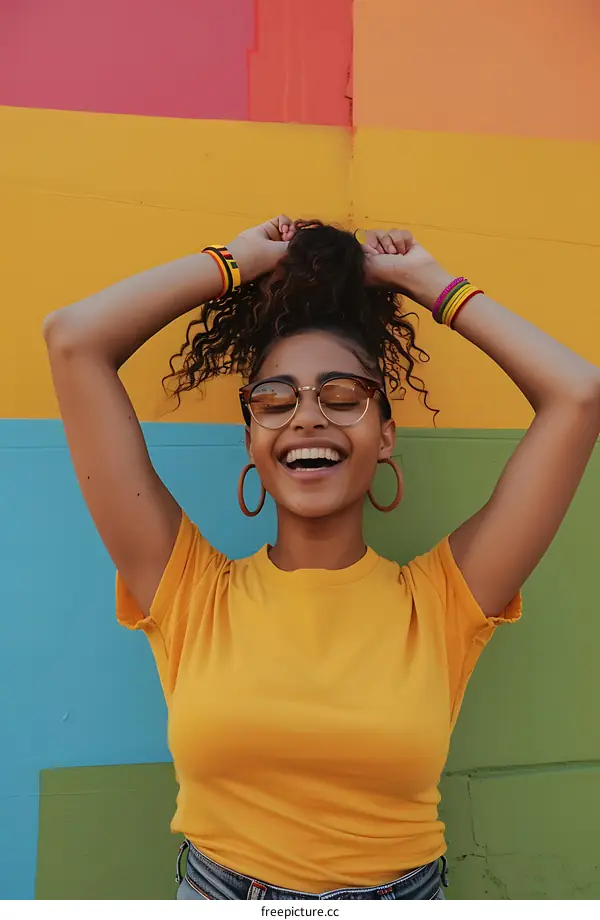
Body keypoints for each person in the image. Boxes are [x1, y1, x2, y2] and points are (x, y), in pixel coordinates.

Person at [44, 216, 600, 901]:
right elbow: (73, 340)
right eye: (275, 400)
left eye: (342, 397)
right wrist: (235, 262)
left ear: (385, 436)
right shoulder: (188, 588)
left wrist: (424, 281)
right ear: (251, 441)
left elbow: (578, 395)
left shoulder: (444, 598)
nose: (308, 417)